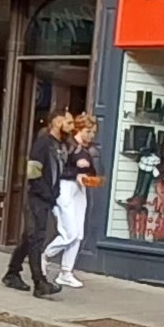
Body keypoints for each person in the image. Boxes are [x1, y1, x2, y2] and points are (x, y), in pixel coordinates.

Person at [3, 110, 72, 298]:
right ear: (56, 122)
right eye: (68, 121)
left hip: (47, 198)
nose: (71, 125)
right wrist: (46, 193)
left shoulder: (61, 145)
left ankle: (12, 273)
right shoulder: (43, 144)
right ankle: (39, 282)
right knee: (37, 238)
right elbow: (33, 173)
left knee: (30, 237)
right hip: (37, 198)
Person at [45, 113, 100, 289]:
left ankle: (66, 272)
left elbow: (91, 171)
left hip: (79, 190)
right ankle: (45, 255)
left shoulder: (86, 150)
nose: (91, 135)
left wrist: (88, 175)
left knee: (78, 234)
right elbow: (58, 169)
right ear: (80, 129)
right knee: (69, 232)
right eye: (88, 131)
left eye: (93, 132)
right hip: (65, 189)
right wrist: (77, 173)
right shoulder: (69, 147)